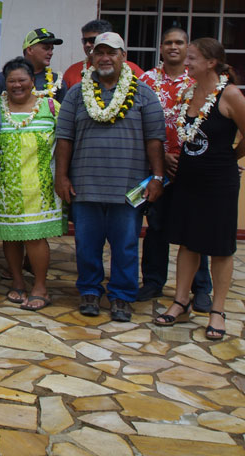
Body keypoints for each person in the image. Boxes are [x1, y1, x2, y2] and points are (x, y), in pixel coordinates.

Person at [55, 32, 165, 322]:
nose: (105, 58)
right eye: (99, 53)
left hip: (128, 188)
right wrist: (62, 177)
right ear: (91, 58)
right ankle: (89, 290)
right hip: (85, 186)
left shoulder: (143, 93)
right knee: (87, 245)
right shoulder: (78, 93)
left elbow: (155, 139)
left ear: (123, 57)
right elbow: (64, 138)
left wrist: (157, 177)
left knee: (126, 245)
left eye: (112, 53)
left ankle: (122, 296)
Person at [155, 39, 245, 340]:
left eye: (192, 58)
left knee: (220, 246)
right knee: (187, 242)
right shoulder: (189, 92)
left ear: (210, 62)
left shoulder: (230, 94)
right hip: (188, 180)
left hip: (219, 181)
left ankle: (217, 310)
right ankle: (181, 301)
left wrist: (231, 157)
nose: (186, 62)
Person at [137, 27, 212, 307]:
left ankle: (200, 288)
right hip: (157, 166)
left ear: (187, 47)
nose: (173, 47)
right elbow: (138, 122)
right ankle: (153, 282)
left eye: (179, 42)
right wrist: (160, 157)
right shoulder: (146, 80)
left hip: (191, 165)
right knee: (156, 226)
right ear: (160, 48)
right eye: (168, 42)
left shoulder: (199, 80)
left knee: (195, 228)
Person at [0, 57, 67, 310]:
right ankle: (18, 283)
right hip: (5, 186)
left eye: (22, 80)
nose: (17, 85)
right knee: (10, 237)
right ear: (5, 84)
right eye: (12, 81)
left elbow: (66, 143)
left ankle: (40, 287)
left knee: (35, 238)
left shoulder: (51, 107)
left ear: (32, 82)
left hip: (40, 186)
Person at [0, 28, 68, 103]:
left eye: (51, 49)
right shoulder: (3, 78)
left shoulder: (57, 82)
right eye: (46, 48)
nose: (51, 53)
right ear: (30, 50)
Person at [63, 19, 142, 89]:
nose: (87, 44)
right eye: (84, 41)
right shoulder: (72, 71)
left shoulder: (133, 70)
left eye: (92, 40)